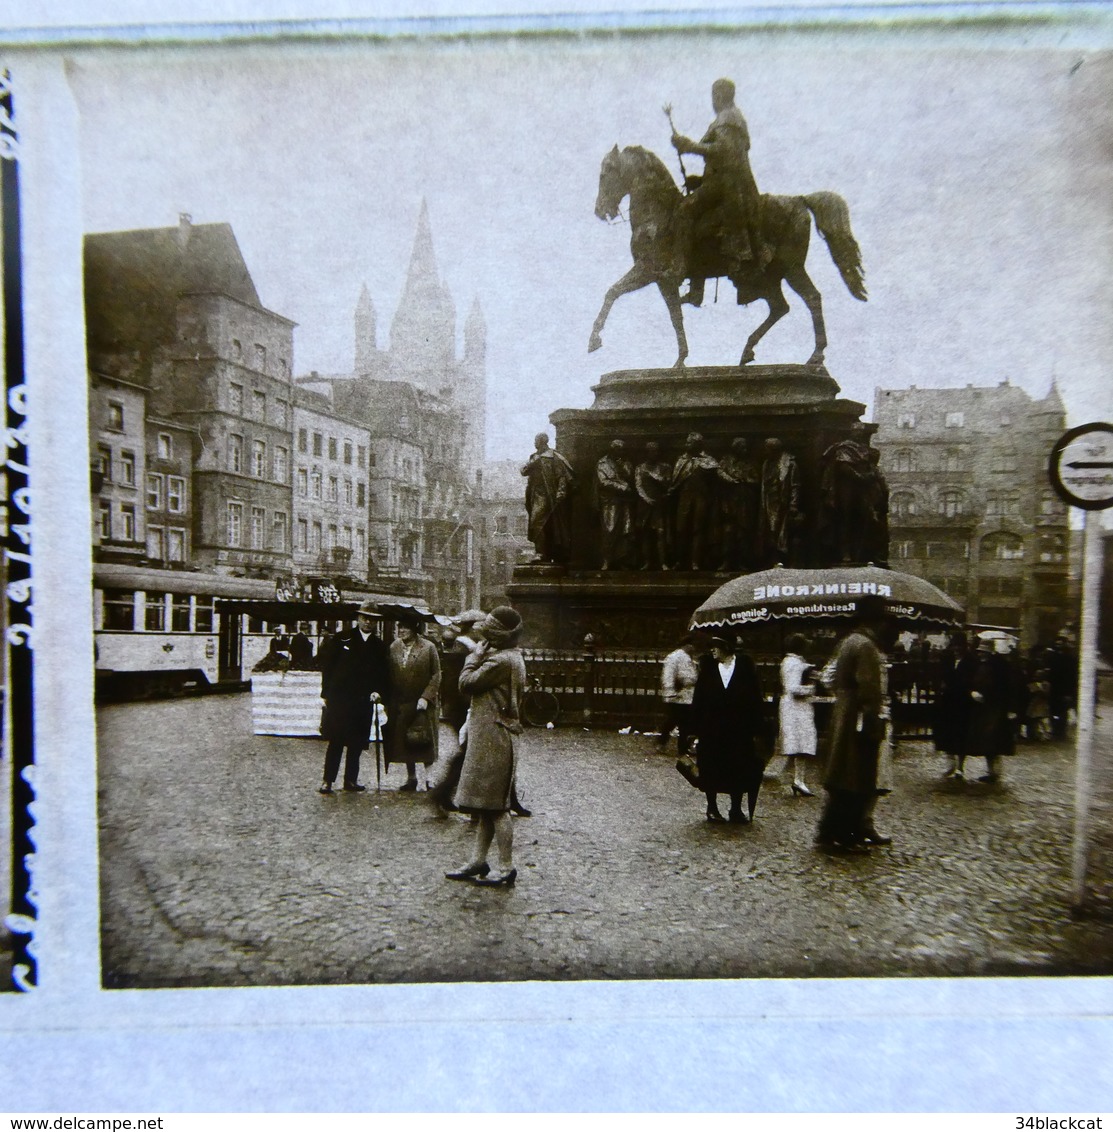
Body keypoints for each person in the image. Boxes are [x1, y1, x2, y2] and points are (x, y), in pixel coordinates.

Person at [447, 607, 528, 887]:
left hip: (494, 739)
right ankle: (478, 860)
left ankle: (506, 866)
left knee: (497, 807)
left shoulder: (500, 661)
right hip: (492, 736)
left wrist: (473, 658)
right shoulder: (512, 657)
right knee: (486, 805)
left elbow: (465, 683)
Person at [671, 77, 769, 308]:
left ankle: (680, 270)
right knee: (699, 221)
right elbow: (715, 154)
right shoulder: (727, 119)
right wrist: (697, 172)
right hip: (722, 181)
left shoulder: (729, 118)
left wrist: (688, 146)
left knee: (684, 210)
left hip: (728, 185)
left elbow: (724, 151)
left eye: (714, 95)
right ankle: (696, 288)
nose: (712, 100)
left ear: (720, 95)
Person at [816, 595, 889, 852]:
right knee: (856, 776)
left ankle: (827, 832)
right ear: (875, 621)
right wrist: (874, 718)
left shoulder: (848, 642)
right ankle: (847, 836)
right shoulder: (867, 646)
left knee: (841, 775)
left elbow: (833, 677)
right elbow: (868, 687)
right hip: (858, 716)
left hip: (843, 711)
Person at [690, 632, 768, 824]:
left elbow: (754, 699)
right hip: (712, 730)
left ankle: (736, 808)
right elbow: (698, 700)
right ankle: (712, 807)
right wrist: (694, 730)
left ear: (726, 647)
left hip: (738, 730)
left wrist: (757, 728)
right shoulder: (708, 669)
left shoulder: (744, 668)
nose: (712, 650)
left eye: (716, 646)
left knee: (738, 768)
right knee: (711, 768)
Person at [317, 601, 391, 795]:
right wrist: (326, 694)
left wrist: (378, 691)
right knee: (336, 740)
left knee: (356, 742)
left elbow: (383, 674)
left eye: (372, 619)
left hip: (363, 701)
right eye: (365, 618)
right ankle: (328, 780)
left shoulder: (379, 646)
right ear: (358, 618)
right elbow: (328, 668)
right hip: (341, 701)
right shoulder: (343, 639)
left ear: (376, 623)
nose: (368, 622)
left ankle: (350, 779)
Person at [386, 613, 442, 791]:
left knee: (425, 740)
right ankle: (411, 778)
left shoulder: (428, 647)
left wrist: (426, 697)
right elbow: (389, 673)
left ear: (414, 629)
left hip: (422, 703)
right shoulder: (394, 646)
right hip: (402, 701)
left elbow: (436, 674)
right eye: (399, 627)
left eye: (405, 627)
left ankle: (430, 779)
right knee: (407, 740)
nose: (401, 631)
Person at [964, 635, 1019, 784]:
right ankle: (991, 771)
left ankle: (995, 772)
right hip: (984, 708)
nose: (981, 654)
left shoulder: (1000, 666)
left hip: (996, 708)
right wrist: (973, 692)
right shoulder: (982, 665)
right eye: (980, 651)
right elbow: (973, 682)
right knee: (987, 742)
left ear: (990, 652)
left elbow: (1007, 688)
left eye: (983, 651)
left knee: (994, 740)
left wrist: (1010, 709)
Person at [521, 432, 575, 565]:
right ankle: (543, 553)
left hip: (547, 494)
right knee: (539, 523)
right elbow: (523, 471)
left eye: (536, 440)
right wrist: (535, 460)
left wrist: (561, 492)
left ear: (542, 441)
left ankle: (542, 553)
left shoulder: (553, 456)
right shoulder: (535, 457)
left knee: (538, 521)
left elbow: (562, 476)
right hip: (535, 495)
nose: (534, 443)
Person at [670, 432, 720, 571]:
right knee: (681, 529)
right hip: (684, 498)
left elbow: (716, 479)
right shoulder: (681, 460)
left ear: (698, 444)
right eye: (686, 442)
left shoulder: (708, 460)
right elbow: (675, 480)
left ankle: (695, 562)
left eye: (689, 443)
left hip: (701, 498)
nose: (686, 445)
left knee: (698, 530)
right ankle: (680, 560)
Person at [779, 633, 817, 797]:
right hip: (797, 708)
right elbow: (793, 688)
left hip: (795, 707)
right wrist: (811, 688)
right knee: (801, 743)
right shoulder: (794, 664)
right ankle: (798, 780)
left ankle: (799, 780)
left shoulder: (791, 662)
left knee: (801, 744)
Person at [760, 437, 803, 567]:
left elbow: (795, 485)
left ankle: (786, 561)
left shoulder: (790, 464)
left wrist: (793, 504)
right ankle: (773, 560)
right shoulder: (767, 463)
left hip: (783, 503)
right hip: (769, 503)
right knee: (770, 532)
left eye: (766, 449)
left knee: (783, 533)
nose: (764, 452)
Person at [935, 632, 972, 779]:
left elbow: (970, 679)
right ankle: (950, 763)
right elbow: (942, 675)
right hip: (948, 701)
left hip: (963, 701)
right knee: (947, 732)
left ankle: (961, 767)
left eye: (959, 646)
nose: (956, 649)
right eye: (954, 646)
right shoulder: (947, 658)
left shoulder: (970, 660)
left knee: (962, 733)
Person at [594, 439, 636, 570]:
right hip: (610, 502)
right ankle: (607, 560)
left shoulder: (626, 463)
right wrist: (622, 487)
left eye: (623, 450)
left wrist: (622, 468)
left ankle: (621, 560)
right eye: (619, 449)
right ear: (613, 449)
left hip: (624, 502)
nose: (621, 452)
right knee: (609, 530)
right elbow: (603, 482)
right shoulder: (602, 463)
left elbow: (630, 478)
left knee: (626, 530)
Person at [658, 633, 701, 756]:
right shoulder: (674, 657)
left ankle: (664, 742)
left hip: (687, 695)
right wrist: (670, 691)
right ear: (687, 645)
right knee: (682, 723)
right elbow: (668, 675)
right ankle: (681, 747)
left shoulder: (689, 658)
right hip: (678, 695)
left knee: (676, 721)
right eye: (692, 645)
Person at [634, 441, 672, 570]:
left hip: (659, 505)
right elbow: (638, 485)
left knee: (660, 533)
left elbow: (667, 483)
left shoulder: (665, 467)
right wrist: (646, 499)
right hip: (645, 505)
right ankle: (647, 562)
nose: (654, 453)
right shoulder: (640, 468)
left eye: (656, 450)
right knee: (646, 534)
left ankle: (663, 562)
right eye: (651, 451)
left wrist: (653, 476)